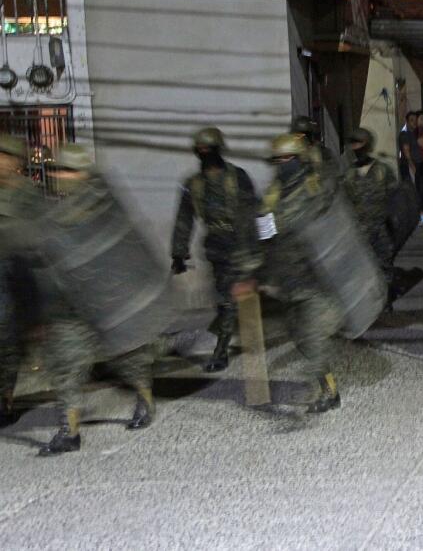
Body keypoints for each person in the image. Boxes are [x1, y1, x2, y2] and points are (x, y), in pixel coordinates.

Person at [38, 145, 157, 455]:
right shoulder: (55, 211)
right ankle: (69, 433)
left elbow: (126, 257)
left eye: (67, 171)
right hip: (69, 310)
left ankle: (145, 396)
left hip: (106, 305)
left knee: (127, 362)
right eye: (56, 171)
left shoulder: (105, 209)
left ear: (83, 175)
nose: (59, 177)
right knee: (67, 369)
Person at [232, 134, 343, 414]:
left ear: (300, 160)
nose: (282, 165)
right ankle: (330, 387)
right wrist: (253, 274)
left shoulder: (317, 188)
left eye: (287, 159)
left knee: (313, 334)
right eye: (278, 160)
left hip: (318, 278)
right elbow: (264, 239)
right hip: (290, 281)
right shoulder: (272, 197)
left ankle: (317, 389)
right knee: (301, 337)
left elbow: (337, 230)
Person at [170, 127, 259, 373]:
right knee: (224, 300)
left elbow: (255, 212)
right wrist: (178, 253)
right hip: (216, 248)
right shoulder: (193, 184)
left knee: (231, 301)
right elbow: (184, 219)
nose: (205, 154)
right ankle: (227, 336)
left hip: (240, 245)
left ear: (219, 149)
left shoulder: (238, 177)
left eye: (209, 150)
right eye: (201, 151)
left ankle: (221, 352)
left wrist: (264, 243)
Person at [0, 135, 42, 427]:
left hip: (14, 272)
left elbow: (38, 233)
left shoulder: (27, 193)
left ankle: (5, 399)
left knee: (7, 340)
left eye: (6, 157)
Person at [342, 128, 400, 275]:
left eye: (358, 143)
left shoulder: (382, 170)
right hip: (359, 233)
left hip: (381, 230)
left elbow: (395, 198)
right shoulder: (349, 174)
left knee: (384, 268)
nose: (355, 148)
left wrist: (394, 225)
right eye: (353, 144)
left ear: (367, 145)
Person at [291, 115, 341, 181]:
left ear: (311, 134)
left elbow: (333, 170)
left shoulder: (323, 152)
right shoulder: (291, 154)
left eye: (306, 134)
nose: (303, 138)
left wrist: (317, 170)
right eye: (298, 135)